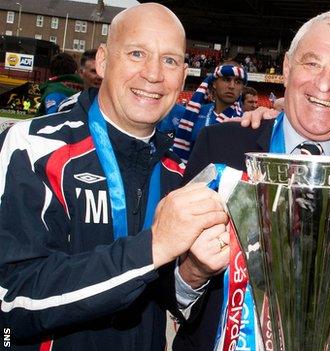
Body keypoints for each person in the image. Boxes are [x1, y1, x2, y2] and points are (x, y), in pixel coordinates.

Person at [0, 4, 230, 350]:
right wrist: (152, 248)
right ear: (104, 61)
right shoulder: (32, 147)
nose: (153, 74)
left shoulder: (173, 173)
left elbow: (160, 295)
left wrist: (193, 272)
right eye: (137, 53)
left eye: (169, 61)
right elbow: (11, 301)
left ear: (183, 77)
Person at [172, 10, 330, 351]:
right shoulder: (219, 146)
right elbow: (168, 289)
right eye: (312, 64)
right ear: (286, 68)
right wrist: (192, 272)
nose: (324, 84)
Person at [165, 61, 247, 162]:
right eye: (226, 79)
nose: (232, 86)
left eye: (238, 82)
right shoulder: (191, 115)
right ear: (214, 84)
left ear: (242, 88)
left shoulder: (245, 121)